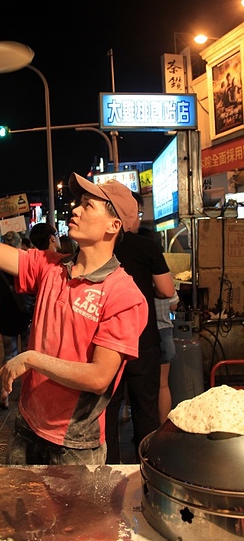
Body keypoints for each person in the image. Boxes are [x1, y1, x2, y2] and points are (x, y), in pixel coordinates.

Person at [0, 135, 148, 466]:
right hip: (26, 425)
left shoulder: (124, 293)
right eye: (78, 203)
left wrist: (32, 359)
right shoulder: (49, 265)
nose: (76, 209)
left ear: (114, 225)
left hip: (74, 445)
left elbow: (99, 378)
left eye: (88, 205)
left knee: (72, 521)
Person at [105, 196, 176, 463]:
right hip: (142, 338)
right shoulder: (147, 246)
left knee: (109, 410)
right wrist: (149, 292)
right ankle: (145, 470)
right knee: (145, 410)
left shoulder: (100, 246)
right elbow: (167, 291)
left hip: (107, 341)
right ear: (130, 215)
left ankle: (109, 470)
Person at [0, 231, 34, 410]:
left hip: (7, 315)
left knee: (9, 354)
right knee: (25, 355)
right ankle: (26, 393)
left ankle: (4, 391)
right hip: (24, 313)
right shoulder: (24, 262)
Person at [155, 291, 179, 423]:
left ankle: (144, 431)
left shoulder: (132, 275)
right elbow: (174, 305)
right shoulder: (161, 275)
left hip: (140, 333)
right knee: (163, 385)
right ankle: (162, 428)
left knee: (142, 386)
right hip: (163, 331)